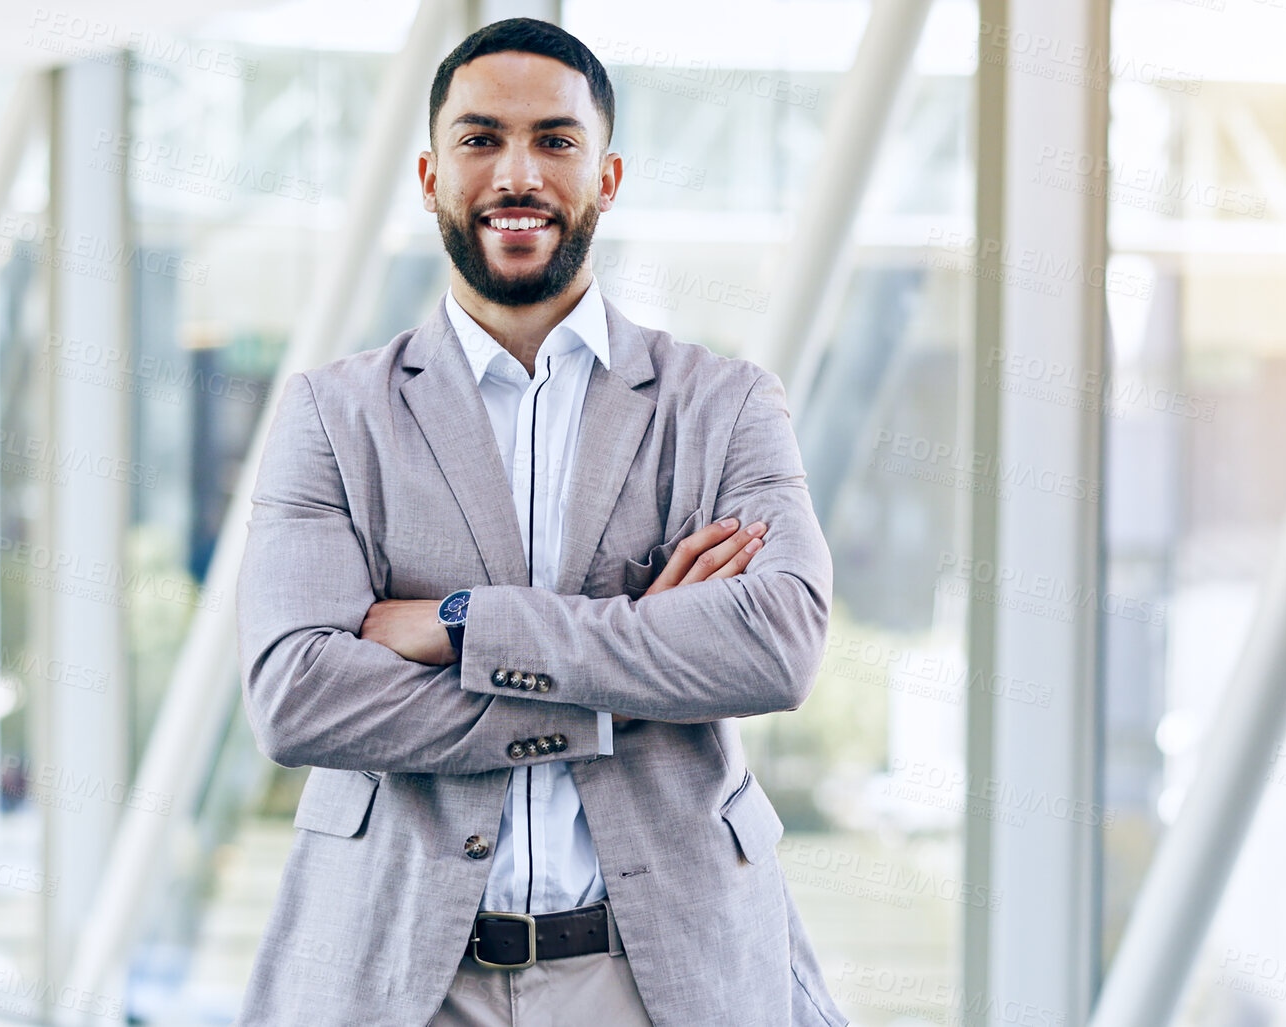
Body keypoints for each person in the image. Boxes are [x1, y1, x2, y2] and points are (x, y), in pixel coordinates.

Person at [233, 17, 848, 1026]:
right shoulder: (333, 415)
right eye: (481, 140)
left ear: (606, 176)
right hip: (401, 973)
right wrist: (629, 673)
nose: (516, 174)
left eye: (554, 141)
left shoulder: (723, 404)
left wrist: (466, 625)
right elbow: (298, 698)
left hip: (657, 973)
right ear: (431, 174)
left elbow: (777, 645)